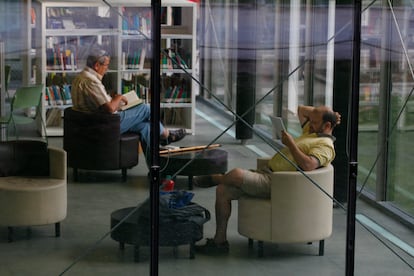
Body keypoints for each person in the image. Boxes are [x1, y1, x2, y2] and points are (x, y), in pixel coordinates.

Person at [195, 105, 341, 254]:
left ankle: (217, 178)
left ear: (327, 126)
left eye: (315, 122)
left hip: (277, 184)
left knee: (236, 174)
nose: (310, 124)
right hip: (267, 173)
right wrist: (330, 115)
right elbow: (302, 110)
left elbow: (308, 165)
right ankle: (220, 242)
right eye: (311, 121)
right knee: (223, 191)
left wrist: (290, 144)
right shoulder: (312, 132)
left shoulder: (326, 146)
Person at [71, 48, 186, 165]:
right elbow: (110, 109)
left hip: (96, 122)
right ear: (96, 65)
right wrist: (118, 98)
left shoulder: (81, 77)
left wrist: (114, 100)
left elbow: (99, 105)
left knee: (146, 127)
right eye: (106, 65)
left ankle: (155, 167)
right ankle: (166, 135)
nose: (107, 69)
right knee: (146, 109)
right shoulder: (91, 81)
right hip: (103, 125)